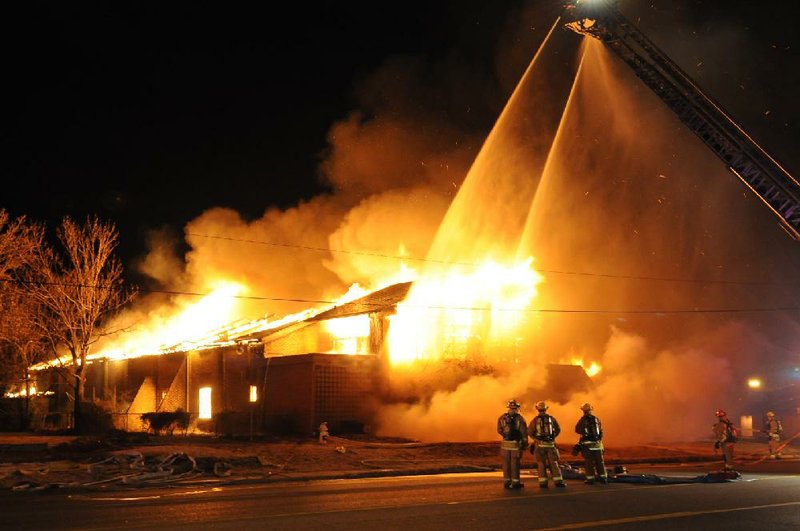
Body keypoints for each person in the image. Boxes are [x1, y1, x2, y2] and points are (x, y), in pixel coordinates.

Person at [530, 401, 566, 488]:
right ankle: (558, 482)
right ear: (546, 409)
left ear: (537, 409)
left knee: (541, 464)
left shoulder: (535, 420)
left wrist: (536, 439)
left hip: (540, 446)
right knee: (554, 463)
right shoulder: (552, 419)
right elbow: (558, 430)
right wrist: (552, 438)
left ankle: (543, 483)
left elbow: (530, 432)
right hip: (550, 445)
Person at [497, 399, 528, 489]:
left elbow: (499, 430)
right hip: (515, 445)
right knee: (515, 464)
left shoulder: (502, 418)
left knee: (506, 463)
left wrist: (505, 435)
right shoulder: (520, 419)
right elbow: (524, 432)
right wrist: (524, 443)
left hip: (505, 445)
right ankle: (515, 483)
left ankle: (507, 482)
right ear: (517, 408)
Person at [575, 403, 607, 484]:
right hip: (598, 444)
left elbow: (577, 430)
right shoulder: (596, 419)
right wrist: (598, 439)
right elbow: (601, 431)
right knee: (600, 462)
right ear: (591, 410)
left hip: (587, 445)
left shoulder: (582, 420)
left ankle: (590, 479)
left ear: (583, 410)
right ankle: (603, 478)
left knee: (589, 462)